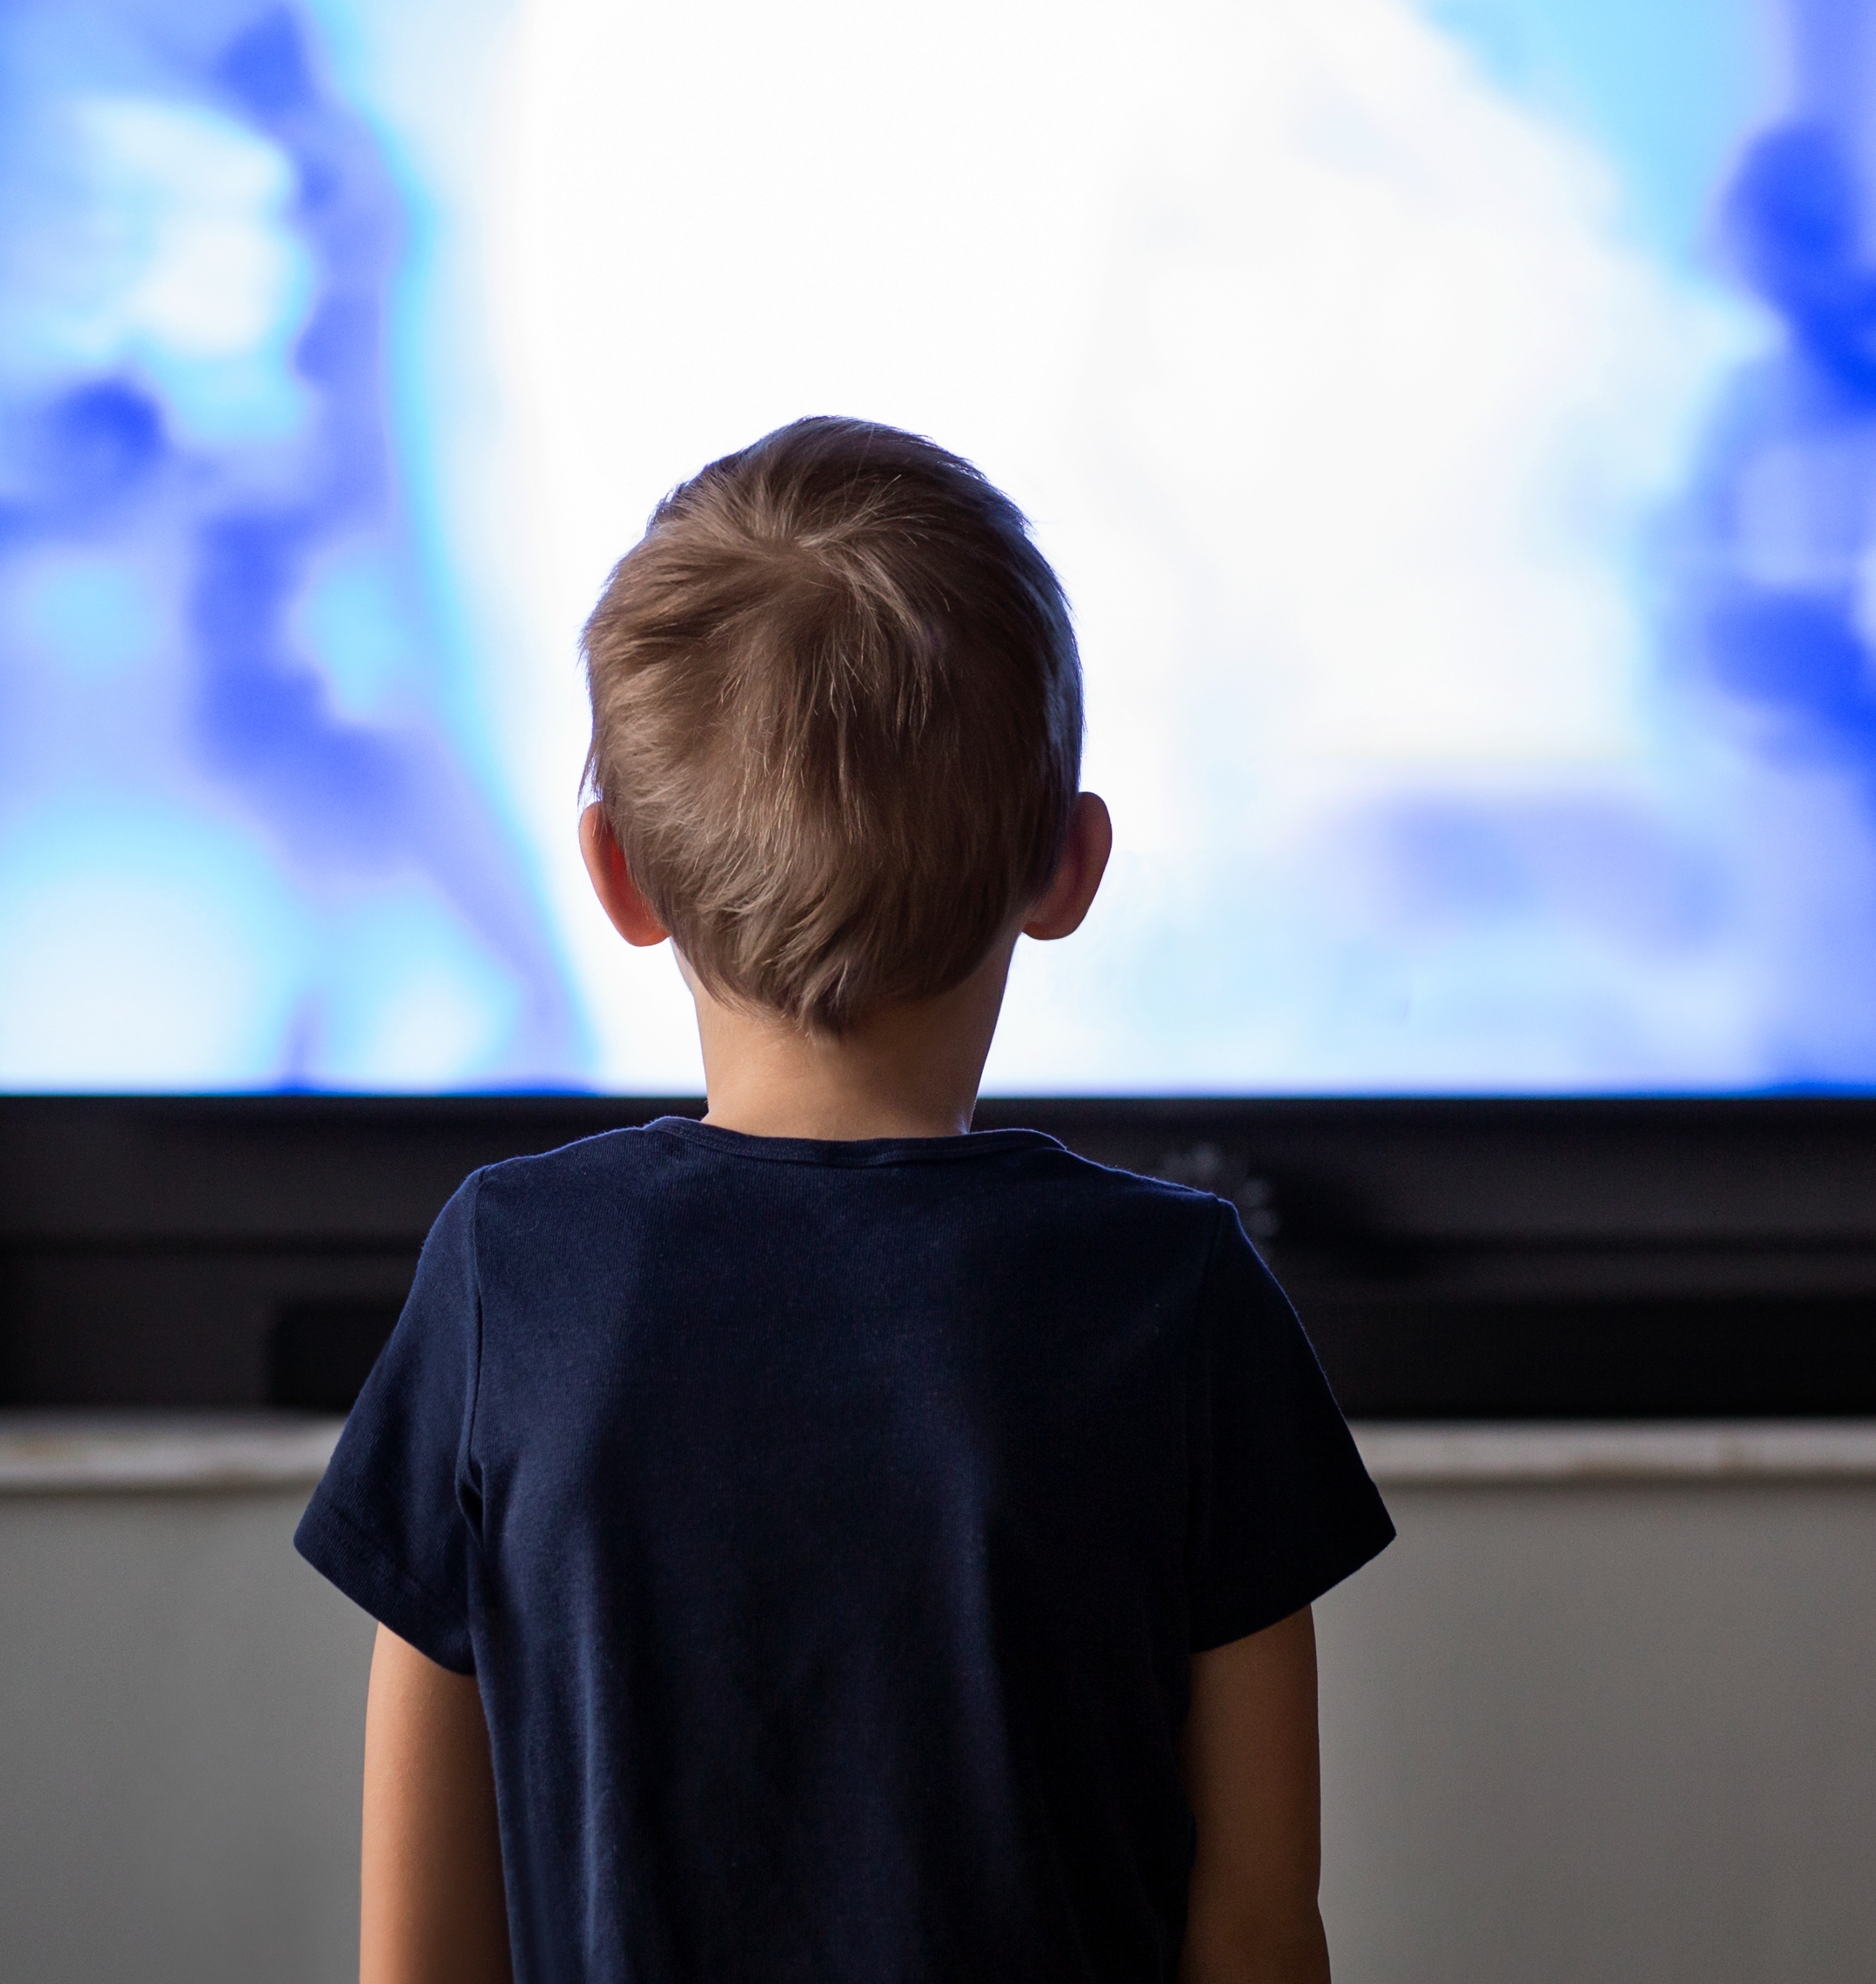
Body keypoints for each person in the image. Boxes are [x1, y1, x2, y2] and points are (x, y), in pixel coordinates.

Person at [297, 416, 1395, 1984]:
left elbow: (415, 1953)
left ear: (615, 873)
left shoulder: (511, 1271)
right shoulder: (1181, 1294)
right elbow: (1259, 1929)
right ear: (1070, 865)